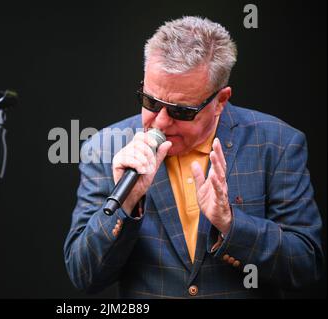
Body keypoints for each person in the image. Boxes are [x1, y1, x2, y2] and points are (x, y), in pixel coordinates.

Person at [63, 16, 323, 298]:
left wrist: (232, 225)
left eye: (181, 111)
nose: (160, 123)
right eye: (150, 101)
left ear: (220, 101)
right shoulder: (105, 148)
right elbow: (83, 276)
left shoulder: (277, 143)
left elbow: (305, 266)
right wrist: (126, 203)